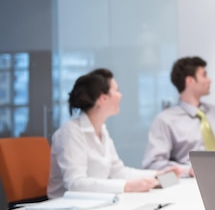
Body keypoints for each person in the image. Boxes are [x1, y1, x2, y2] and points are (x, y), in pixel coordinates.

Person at [48, 68, 181, 199]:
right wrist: (127, 186)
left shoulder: (102, 129)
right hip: (66, 209)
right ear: (103, 99)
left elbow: (118, 171)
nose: (120, 95)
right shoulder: (71, 132)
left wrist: (157, 174)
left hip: (95, 202)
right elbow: (75, 184)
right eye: (116, 90)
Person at [143, 56, 215, 176]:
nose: (209, 80)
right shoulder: (165, 120)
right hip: (189, 185)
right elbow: (153, 164)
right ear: (190, 81)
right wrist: (188, 171)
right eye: (204, 75)